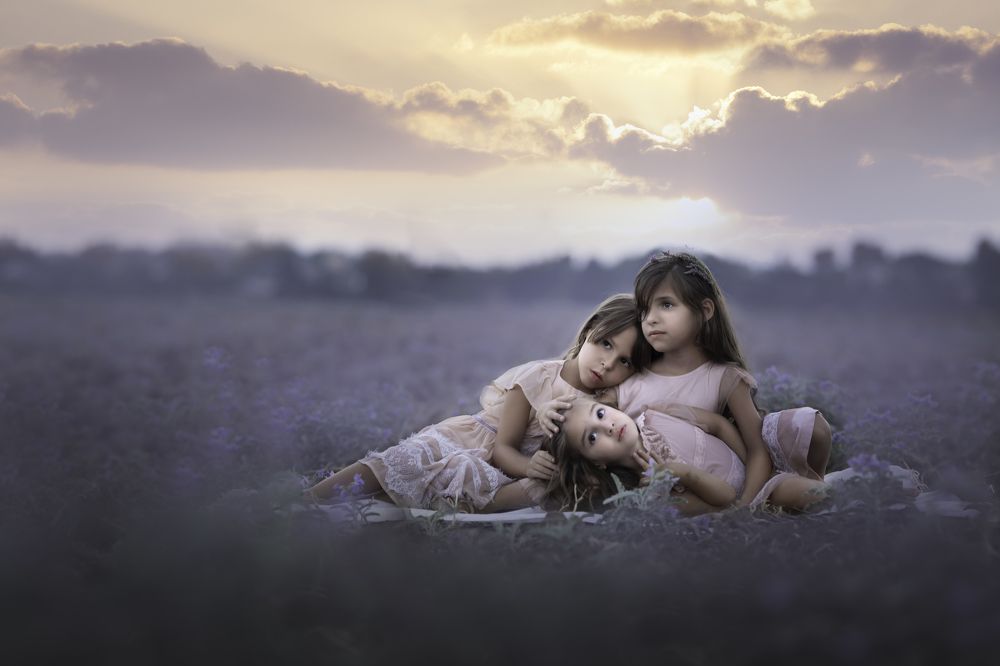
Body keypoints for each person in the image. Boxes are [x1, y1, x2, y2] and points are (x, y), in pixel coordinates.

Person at [540, 251, 834, 508]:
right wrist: (546, 409)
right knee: (796, 496)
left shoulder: (725, 376)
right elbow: (583, 414)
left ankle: (813, 487)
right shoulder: (632, 380)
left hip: (744, 469)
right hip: (698, 483)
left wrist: (745, 505)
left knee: (812, 435)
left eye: (666, 305)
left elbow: (756, 451)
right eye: (645, 310)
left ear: (705, 311)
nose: (651, 319)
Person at [304, 294, 645, 512]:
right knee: (397, 465)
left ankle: (342, 511)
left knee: (421, 497)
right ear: (588, 332)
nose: (607, 363)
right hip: (474, 444)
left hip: (501, 474)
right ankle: (310, 499)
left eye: (625, 362)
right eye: (605, 344)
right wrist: (529, 468)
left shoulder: (604, 402)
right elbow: (502, 449)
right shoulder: (538, 378)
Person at [545, 396, 830, 514]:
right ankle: (827, 491)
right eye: (592, 437)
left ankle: (813, 477)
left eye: (600, 413)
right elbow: (726, 500)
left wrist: (752, 459)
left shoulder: (656, 413)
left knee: (811, 425)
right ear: (597, 461)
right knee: (813, 494)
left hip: (755, 457)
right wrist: (679, 472)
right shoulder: (651, 489)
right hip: (754, 495)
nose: (606, 426)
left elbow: (717, 425)